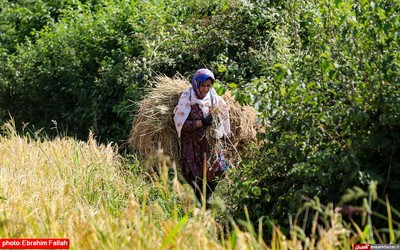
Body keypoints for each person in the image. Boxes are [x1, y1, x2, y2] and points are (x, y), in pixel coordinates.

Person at [174, 68, 231, 207]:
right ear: (196, 84)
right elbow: (181, 124)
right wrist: (202, 123)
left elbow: (223, 115)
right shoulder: (187, 99)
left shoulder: (213, 98)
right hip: (192, 145)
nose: (206, 89)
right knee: (195, 176)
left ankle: (208, 198)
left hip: (209, 143)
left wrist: (217, 121)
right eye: (203, 85)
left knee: (218, 169)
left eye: (208, 86)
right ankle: (201, 204)